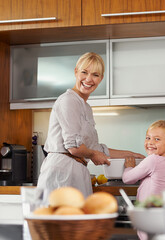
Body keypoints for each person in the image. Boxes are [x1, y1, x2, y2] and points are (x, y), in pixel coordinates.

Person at [37, 52, 144, 204]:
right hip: (62, 172)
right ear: (76, 72)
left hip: (76, 171)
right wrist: (93, 155)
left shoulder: (85, 107)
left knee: (78, 225)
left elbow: (95, 148)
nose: (88, 79)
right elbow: (74, 147)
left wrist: (131, 154)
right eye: (84, 72)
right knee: (62, 224)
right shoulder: (69, 100)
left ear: (101, 78)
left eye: (95, 75)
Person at [122, 120, 165, 240]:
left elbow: (127, 178)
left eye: (157, 139)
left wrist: (129, 166)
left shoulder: (153, 160)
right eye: (148, 138)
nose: (150, 142)